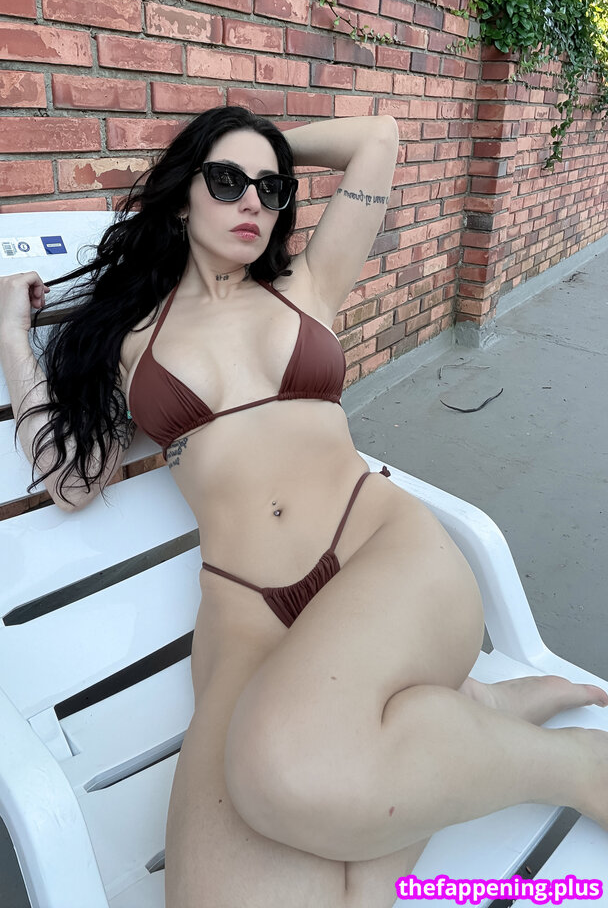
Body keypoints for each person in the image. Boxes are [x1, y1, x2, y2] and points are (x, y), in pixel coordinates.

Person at [0, 105, 606, 908]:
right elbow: (72, 481)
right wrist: (12, 332)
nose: (253, 200)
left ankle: (574, 765)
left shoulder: (306, 286)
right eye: (227, 181)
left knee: (287, 770)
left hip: (382, 558)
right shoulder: (128, 339)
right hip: (249, 614)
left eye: (271, 187)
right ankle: (468, 708)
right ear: (181, 197)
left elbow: (377, 140)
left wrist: (259, 148)